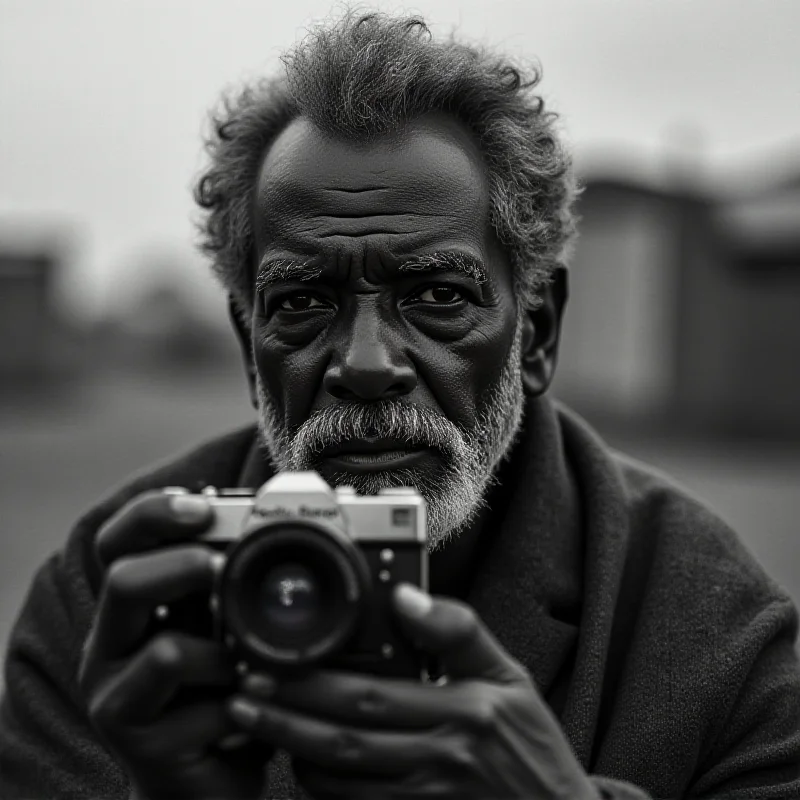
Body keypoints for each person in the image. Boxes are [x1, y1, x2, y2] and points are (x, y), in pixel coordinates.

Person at [1, 10, 799, 800]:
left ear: (538, 333)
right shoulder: (110, 604)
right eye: (304, 301)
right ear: (251, 348)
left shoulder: (709, 625)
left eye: (440, 295)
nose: (367, 366)